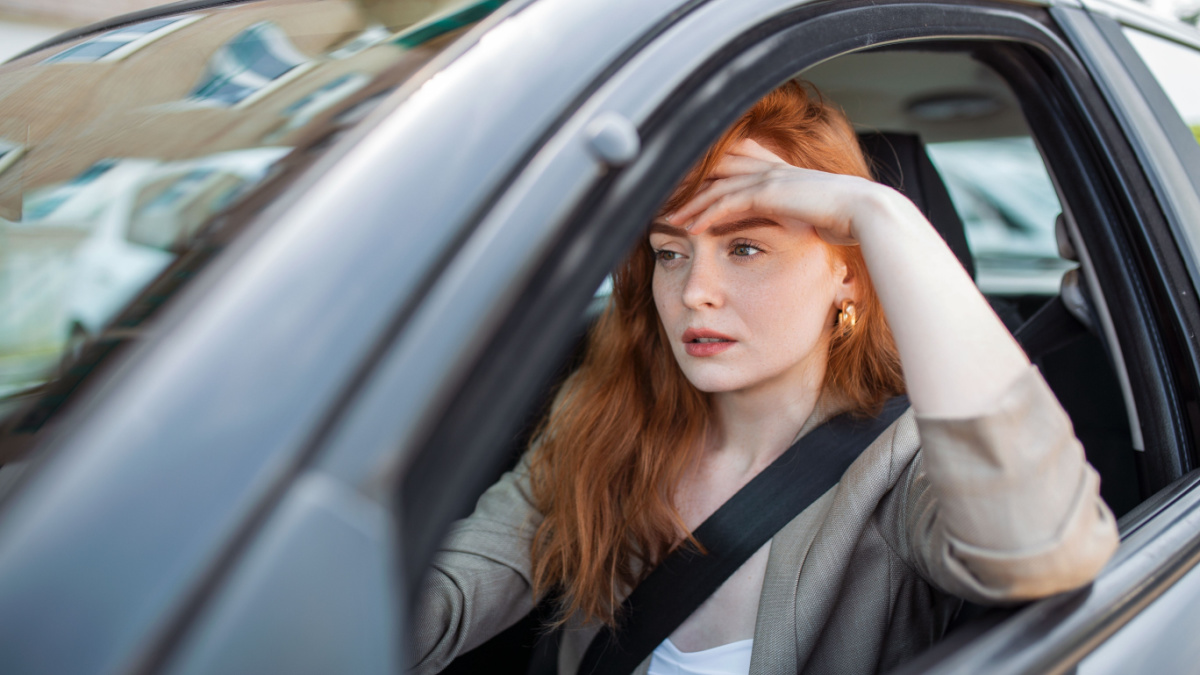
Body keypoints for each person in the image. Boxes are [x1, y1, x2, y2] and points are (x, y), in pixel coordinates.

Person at [410, 81, 1119, 675]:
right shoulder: (604, 418)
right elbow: (439, 602)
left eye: (745, 246)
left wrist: (882, 213)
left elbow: (1043, 549)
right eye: (669, 252)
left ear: (847, 271)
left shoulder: (901, 464)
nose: (694, 292)